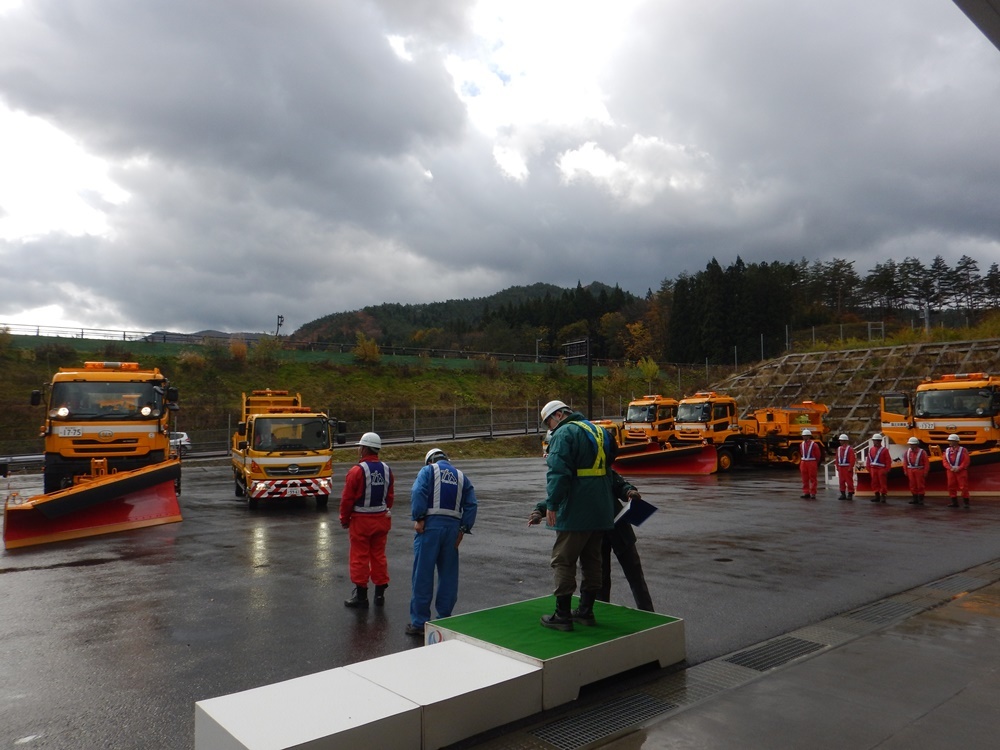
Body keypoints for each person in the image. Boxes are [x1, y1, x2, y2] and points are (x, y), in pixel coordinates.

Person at [535, 399, 616, 631]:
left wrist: (551, 504)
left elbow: (559, 472)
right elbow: (612, 462)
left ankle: (562, 615)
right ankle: (586, 611)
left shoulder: (564, 433)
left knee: (563, 559)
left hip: (576, 508)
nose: (550, 428)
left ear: (559, 414)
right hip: (600, 508)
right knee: (592, 560)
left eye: (549, 422)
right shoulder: (599, 431)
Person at [529, 469, 654, 612]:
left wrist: (630, 492)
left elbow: (620, 484)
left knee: (635, 575)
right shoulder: (573, 473)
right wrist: (539, 511)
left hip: (618, 529)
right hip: (596, 532)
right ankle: (601, 612)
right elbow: (559, 495)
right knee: (600, 578)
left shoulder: (601, 469)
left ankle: (648, 612)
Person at [406, 448, 478, 637]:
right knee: (448, 575)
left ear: (430, 460)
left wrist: (419, 516)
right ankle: (444, 619)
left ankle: (420, 623)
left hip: (430, 526)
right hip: (452, 530)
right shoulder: (461, 477)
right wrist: (463, 528)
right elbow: (471, 504)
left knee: (422, 574)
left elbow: (418, 491)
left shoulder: (428, 471)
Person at [339, 432, 394, 608]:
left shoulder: (356, 471)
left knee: (359, 557)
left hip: (361, 522)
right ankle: (380, 594)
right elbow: (390, 497)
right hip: (381, 520)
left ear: (363, 448)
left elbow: (347, 499)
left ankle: (361, 596)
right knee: (379, 556)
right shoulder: (387, 470)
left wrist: (344, 519)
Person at [944, 433, 971, 508]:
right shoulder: (947, 450)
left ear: (956, 441)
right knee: (951, 486)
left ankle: (966, 503)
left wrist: (959, 468)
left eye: (951, 441)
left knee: (963, 486)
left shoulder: (963, 450)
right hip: (951, 471)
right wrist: (950, 468)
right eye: (949, 441)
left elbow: (966, 461)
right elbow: (944, 461)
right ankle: (954, 502)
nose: (950, 442)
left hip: (961, 471)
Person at [903, 437, 930, 506]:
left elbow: (926, 463)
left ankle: (920, 499)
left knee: (920, 485)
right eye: (910, 444)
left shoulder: (922, 452)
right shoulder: (907, 452)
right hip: (910, 470)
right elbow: (905, 462)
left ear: (916, 444)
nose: (911, 446)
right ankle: (915, 499)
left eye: (913, 444)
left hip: (919, 470)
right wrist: (905, 471)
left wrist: (925, 472)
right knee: (912, 485)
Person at [865, 433, 890, 503]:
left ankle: (883, 496)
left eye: (876, 440)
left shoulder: (885, 450)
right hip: (873, 469)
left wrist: (887, 469)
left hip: (881, 469)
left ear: (879, 441)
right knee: (874, 482)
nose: (874, 442)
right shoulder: (871, 449)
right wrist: (868, 467)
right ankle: (877, 495)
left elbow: (888, 460)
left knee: (882, 483)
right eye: (874, 440)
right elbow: (869, 459)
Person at [798, 429, 820, 499]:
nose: (803, 437)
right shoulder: (801, 444)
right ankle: (806, 492)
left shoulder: (814, 445)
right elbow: (802, 453)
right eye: (803, 436)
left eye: (805, 436)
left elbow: (818, 455)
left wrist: (815, 462)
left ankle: (813, 493)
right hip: (803, 462)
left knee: (812, 478)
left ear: (809, 436)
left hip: (811, 462)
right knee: (804, 478)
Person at [835, 433, 856, 500]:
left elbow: (852, 459)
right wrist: (837, 467)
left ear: (845, 441)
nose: (840, 441)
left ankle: (850, 493)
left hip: (847, 467)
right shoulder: (839, 449)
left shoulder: (850, 449)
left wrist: (850, 467)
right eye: (840, 440)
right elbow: (837, 458)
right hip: (841, 467)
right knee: (841, 481)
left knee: (849, 481)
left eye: (841, 440)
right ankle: (843, 494)